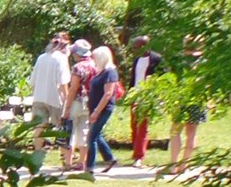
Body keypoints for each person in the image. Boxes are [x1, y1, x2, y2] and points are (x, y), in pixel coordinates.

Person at [127, 35, 168, 165]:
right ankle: (136, 151)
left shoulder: (156, 59)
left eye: (135, 47)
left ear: (144, 46)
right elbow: (134, 78)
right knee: (134, 125)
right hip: (135, 94)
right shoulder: (136, 59)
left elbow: (164, 77)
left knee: (142, 126)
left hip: (147, 96)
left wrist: (158, 95)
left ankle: (139, 156)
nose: (133, 50)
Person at [169, 37, 207, 173]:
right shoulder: (204, 62)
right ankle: (184, 165)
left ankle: (173, 164)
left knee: (175, 131)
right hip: (197, 99)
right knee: (191, 133)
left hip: (181, 98)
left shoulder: (179, 61)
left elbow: (172, 80)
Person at [29, 34, 70, 154]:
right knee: (62, 128)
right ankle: (64, 157)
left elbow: (33, 81)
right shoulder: (61, 59)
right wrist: (67, 101)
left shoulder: (41, 58)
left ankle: (37, 152)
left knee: (39, 127)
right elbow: (63, 83)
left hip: (39, 97)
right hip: (55, 99)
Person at [84, 44, 120, 174]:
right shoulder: (101, 72)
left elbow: (108, 94)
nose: (94, 60)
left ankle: (89, 167)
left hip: (103, 109)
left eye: (95, 57)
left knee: (91, 137)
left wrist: (96, 111)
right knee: (96, 135)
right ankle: (110, 158)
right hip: (95, 107)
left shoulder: (110, 72)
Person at [65, 39, 96, 171]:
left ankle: (68, 162)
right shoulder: (95, 65)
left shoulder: (78, 67)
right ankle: (82, 161)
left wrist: (67, 107)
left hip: (77, 102)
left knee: (70, 131)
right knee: (84, 131)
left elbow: (73, 88)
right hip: (90, 102)